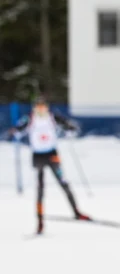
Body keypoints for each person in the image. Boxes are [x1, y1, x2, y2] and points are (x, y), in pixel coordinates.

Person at [6, 96, 90, 234]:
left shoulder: (52, 117)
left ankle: (76, 212)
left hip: (52, 155)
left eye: (42, 106)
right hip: (38, 156)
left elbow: (67, 124)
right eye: (38, 106)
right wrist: (14, 131)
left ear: (46, 107)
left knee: (63, 182)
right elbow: (19, 127)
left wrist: (70, 127)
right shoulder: (29, 118)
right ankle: (39, 221)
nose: (40, 109)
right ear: (34, 107)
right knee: (40, 188)